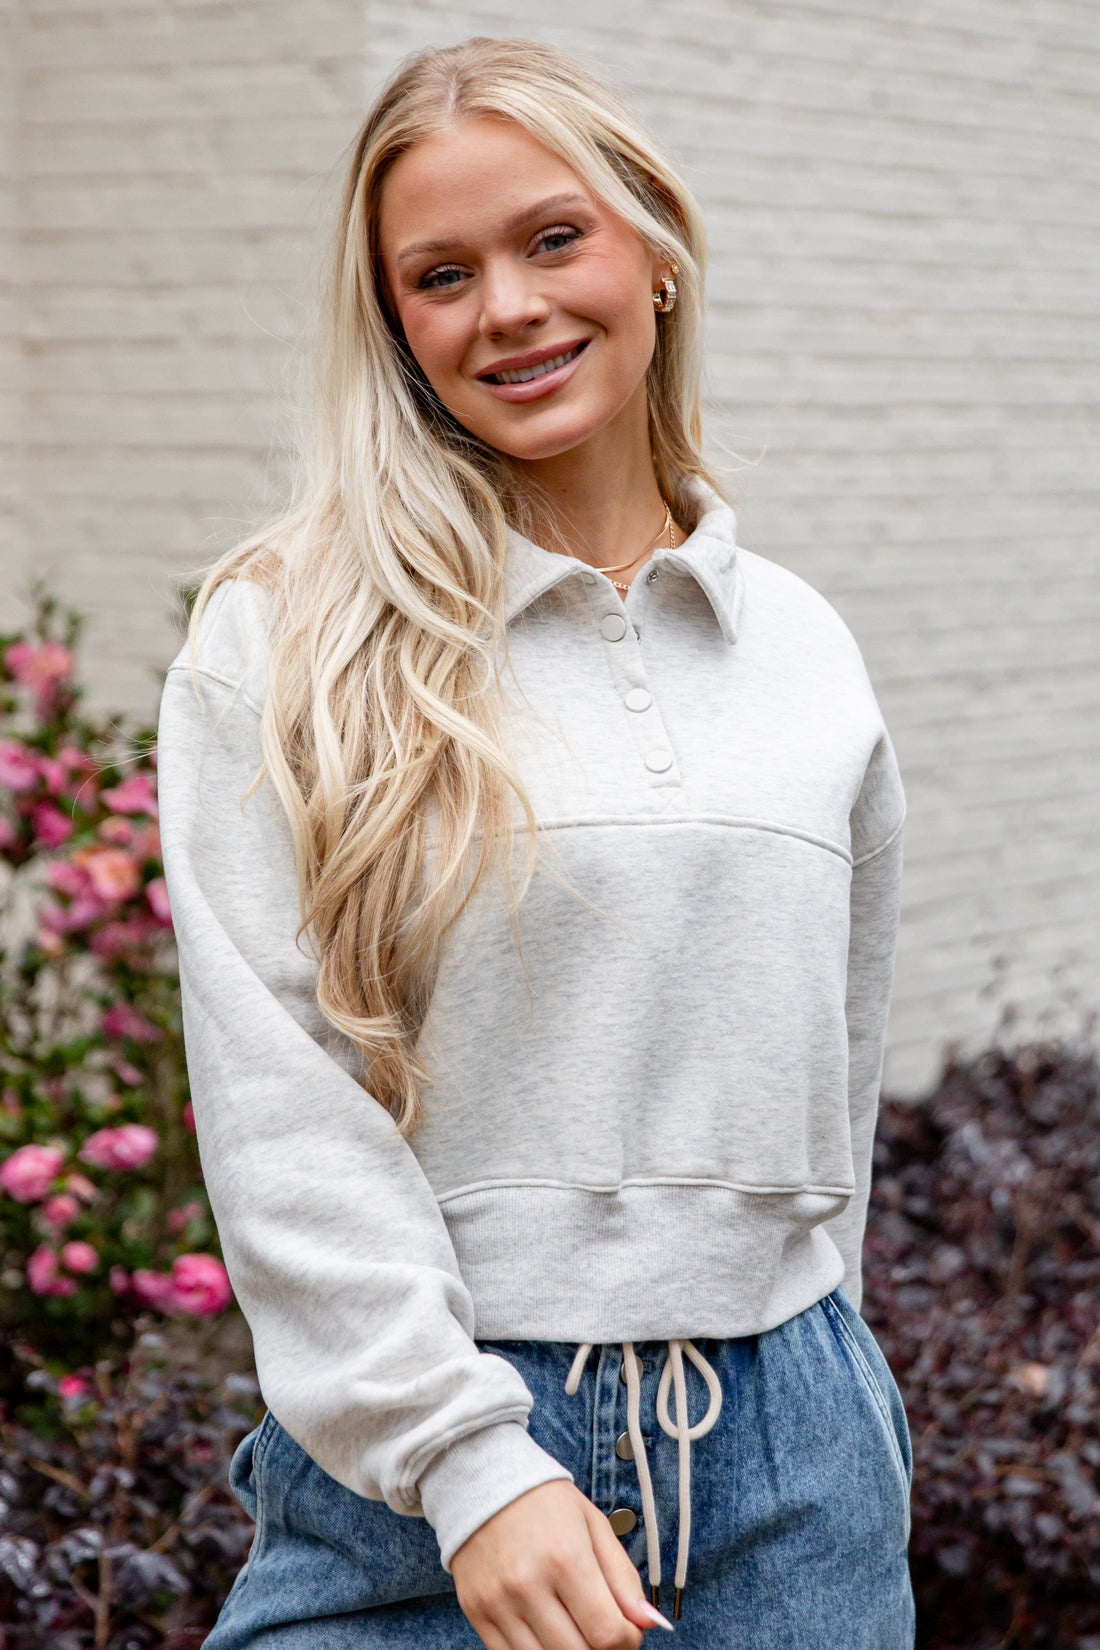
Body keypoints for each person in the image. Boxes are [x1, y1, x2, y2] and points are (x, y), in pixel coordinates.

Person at [157, 34, 915, 1650]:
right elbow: (280, 1093)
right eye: (440, 274)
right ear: (398, 327)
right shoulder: (285, 634)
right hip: (428, 1485)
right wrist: (467, 1458)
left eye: (552, 238)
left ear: (653, 251)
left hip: (797, 1478)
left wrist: (816, 1370)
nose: (505, 305)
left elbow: (827, 1094)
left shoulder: (803, 647)